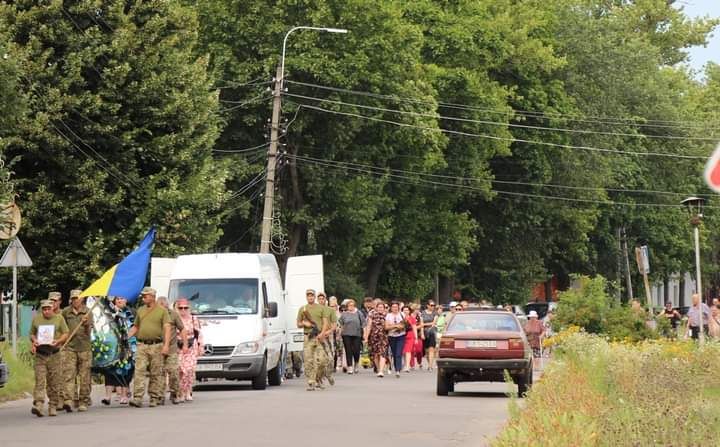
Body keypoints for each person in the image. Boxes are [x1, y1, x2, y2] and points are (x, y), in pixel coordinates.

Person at [128, 287, 172, 408]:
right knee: (139, 371)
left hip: (156, 345)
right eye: (142, 296)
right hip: (142, 345)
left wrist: (166, 345)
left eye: (145, 296)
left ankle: (154, 397)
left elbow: (167, 328)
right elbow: (135, 327)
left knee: (155, 372)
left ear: (152, 296)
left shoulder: (162, 311)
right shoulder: (140, 310)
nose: (143, 298)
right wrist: (126, 337)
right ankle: (137, 397)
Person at [30, 299, 69, 417]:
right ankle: (39, 404)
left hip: (54, 354)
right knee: (40, 380)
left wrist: (58, 341)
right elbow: (31, 333)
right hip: (40, 354)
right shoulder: (36, 319)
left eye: (48, 309)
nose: (46, 311)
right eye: (44, 309)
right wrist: (34, 341)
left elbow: (66, 333)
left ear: (53, 308)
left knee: (54, 381)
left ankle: (53, 405)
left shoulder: (59, 318)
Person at [61, 289, 92, 412]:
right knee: (68, 375)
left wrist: (86, 323)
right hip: (70, 347)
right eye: (73, 298)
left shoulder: (88, 312)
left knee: (85, 376)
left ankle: (83, 400)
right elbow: (62, 328)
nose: (75, 301)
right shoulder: (65, 312)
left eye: (78, 298)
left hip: (84, 348)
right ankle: (69, 400)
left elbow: (89, 333)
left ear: (82, 299)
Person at [102, 296, 135, 406]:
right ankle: (107, 396)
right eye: (118, 299)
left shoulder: (131, 313)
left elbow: (135, 327)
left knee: (126, 369)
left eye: (122, 298)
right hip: (112, 345)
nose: (120, 301)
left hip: (128, 345)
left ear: (126, 300)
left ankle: (124, 395)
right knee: (109, 369)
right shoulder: (108, 312)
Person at [297, 289, 330, 391]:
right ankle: (312, 381)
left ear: (314, 297)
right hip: (308, 337)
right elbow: (298, 324)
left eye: (312, 296)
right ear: (306, 297)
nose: (310, 297)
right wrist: (304, 324)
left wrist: (322, 333)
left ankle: (318, 378)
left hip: (318, 336)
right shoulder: (303, 309)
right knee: (308, 360)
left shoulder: (321, 308)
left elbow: (325, 322)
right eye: (308, 296)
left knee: (322, 361)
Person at [158, 296, 187, 405]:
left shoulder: (173, 315)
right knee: (159, 373)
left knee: (173, 372)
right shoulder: (154, 315)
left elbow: (182, 329)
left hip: (172, 348)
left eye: (164, 307)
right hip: (157, 348)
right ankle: (160, 396)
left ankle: (175, 393)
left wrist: (185, 344)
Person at [176, 298, 202, 402]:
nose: (183, 310)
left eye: (185, 308)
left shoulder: (193, 319)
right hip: (179, 346)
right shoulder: (175, 319)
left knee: (189, 370)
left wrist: (201, 346)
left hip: (192, 346)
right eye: (180, 308)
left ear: (189, 308)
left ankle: (188, 391)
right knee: (180, 371)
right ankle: (181, 392)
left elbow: (199, 333)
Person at [339, 298, 365, 374]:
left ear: (354, 306)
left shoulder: (358, 313)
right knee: (348, 350)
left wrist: (365, 334)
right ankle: (350, 367)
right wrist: (340, 330)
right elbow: (340, 323)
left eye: (352, 305)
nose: (351, 307)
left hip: (357, 334)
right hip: (346, 334)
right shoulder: (344, 314)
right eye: (349, 305)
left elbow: (364, 323)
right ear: (347, 306)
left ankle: (356, 363)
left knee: (356, 350)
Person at [365, 301, 389, 377]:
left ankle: (381, 370)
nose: (380, 309)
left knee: (383, 353)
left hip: (384, 337)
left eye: (382, 307)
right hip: (374, 337)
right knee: (375, 354)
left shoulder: (387, 315)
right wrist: (366, 337)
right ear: (376, 308)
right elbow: (369, 326)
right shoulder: (372, 315)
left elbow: (389, 325)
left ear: (384, 308)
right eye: (379, 307)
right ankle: (378, 369)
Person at [385, 302, 406, 378]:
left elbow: (403, 325)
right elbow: (386, 327)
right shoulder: (388, 316)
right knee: (394, 353)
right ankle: (396, 366)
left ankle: (398, 370)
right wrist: (396, 326)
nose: (395, 308)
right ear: (391, 308)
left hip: (401, 336)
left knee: (398, 353)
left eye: (396, 307)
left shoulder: (402, 314)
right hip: (391, 336)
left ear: (398, 307)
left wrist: (393, 326)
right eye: (393, 307)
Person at [420, 300, 438, 371]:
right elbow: (421, 324)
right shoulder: (423, 313)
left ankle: (430, 366)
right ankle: (429, 363)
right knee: (426, 350)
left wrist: (424, 324)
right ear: (427, 305)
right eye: (431, 305)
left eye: (433, 305)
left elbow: (434, 323)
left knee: (431, 349)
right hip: (425, 332)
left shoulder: (435, 313)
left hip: (432, 332)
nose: (432, 307)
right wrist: (421, 333)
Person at [401, 305, 419, 373]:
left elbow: (414, 328)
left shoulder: (412, 318)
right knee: (403, 352)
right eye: (404, 310)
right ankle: (405, 364)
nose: (406, 311)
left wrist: (416, 338)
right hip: (402, 335)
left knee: (408, 351)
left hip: (410, 336)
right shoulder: (400, 318)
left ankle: (407, 366)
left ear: (409, 311)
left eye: (407, 310)